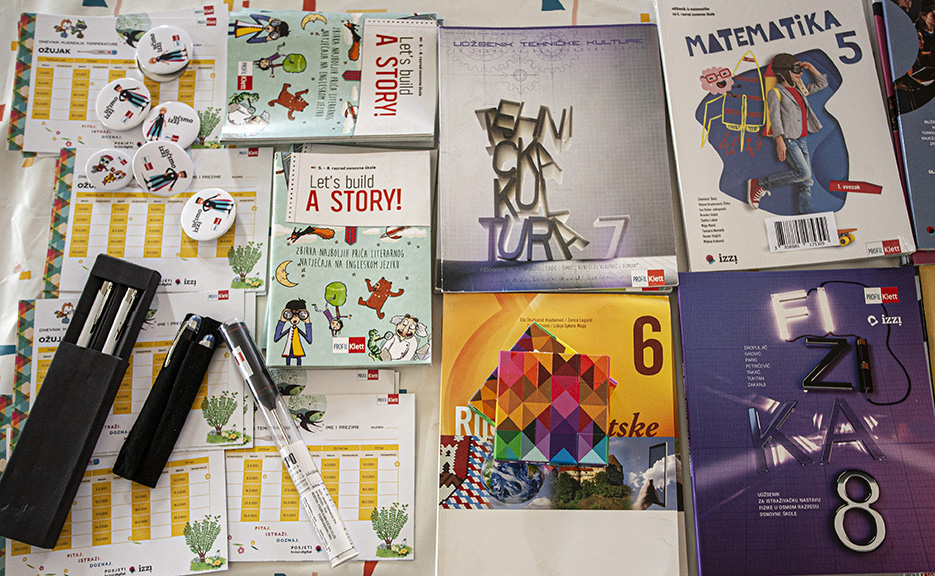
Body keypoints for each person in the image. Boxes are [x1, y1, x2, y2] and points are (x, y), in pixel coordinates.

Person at [747, 53, 828, 214]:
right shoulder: (775, 93)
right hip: (789, 139)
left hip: (802, 138)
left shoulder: (800, 90)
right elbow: (774, 118)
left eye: (800, 69)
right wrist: (779, 141)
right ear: (784, 72)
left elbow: (822, 83)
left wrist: (811, 68)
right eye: (796, 70)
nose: (800, 73)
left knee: (807, 181)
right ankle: (761, 184)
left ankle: (804, 213)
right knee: (803, 173)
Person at [273, 299, 312, 366]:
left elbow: (309, 340)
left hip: (298, 350)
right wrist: (282, 321)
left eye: (300, 314)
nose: (295, 318)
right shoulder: (289, 329)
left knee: (299, 363)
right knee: (287, 363)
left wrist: (307, 323)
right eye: (290, 314)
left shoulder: (298, 330)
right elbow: (276, 338)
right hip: (289, 350)